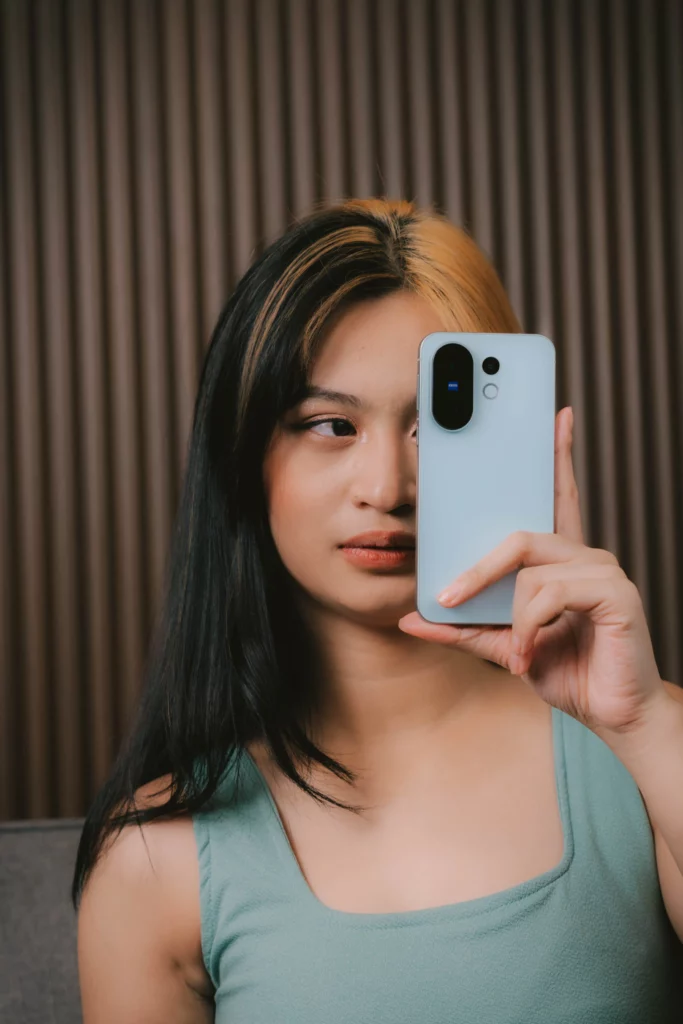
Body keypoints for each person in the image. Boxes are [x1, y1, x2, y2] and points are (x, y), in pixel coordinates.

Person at [72, 198, 683, 1023]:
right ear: (246, 457)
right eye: (331, 425)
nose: (387, 487)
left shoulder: (647, 752)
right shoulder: (156, 858)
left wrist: (640, 727)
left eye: (435, 425)